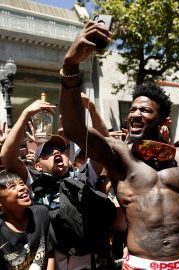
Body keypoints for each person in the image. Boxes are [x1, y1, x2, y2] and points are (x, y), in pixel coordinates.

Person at [59, 21, 179, 269]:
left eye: (145, 110)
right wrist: (70, 65)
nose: (136, 114)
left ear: (162, 120)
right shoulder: (118, 155)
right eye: (133, 109)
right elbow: (76, 130)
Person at [0, 98, 124, 269]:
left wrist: (92, 109)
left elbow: (103, 145)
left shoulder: (86, 176)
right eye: (48, 151)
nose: (56, 152)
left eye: (61, 149)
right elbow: (7, 158)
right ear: (37, 165)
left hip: (97, 261)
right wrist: (25, 114)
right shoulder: (34, 183)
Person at [0, 170, 54, 269]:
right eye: (12, 187)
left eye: (21, 183)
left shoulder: (41, 213)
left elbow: (50, 254)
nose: (22, 188)